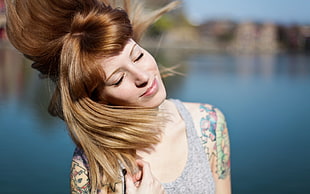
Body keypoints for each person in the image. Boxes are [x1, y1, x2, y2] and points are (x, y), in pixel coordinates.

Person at [5, 0, 231, 193]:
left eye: (137, 55)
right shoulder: (90, 165)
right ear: (98, 97)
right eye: (118, 79)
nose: (143, 76)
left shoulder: (208, 124)